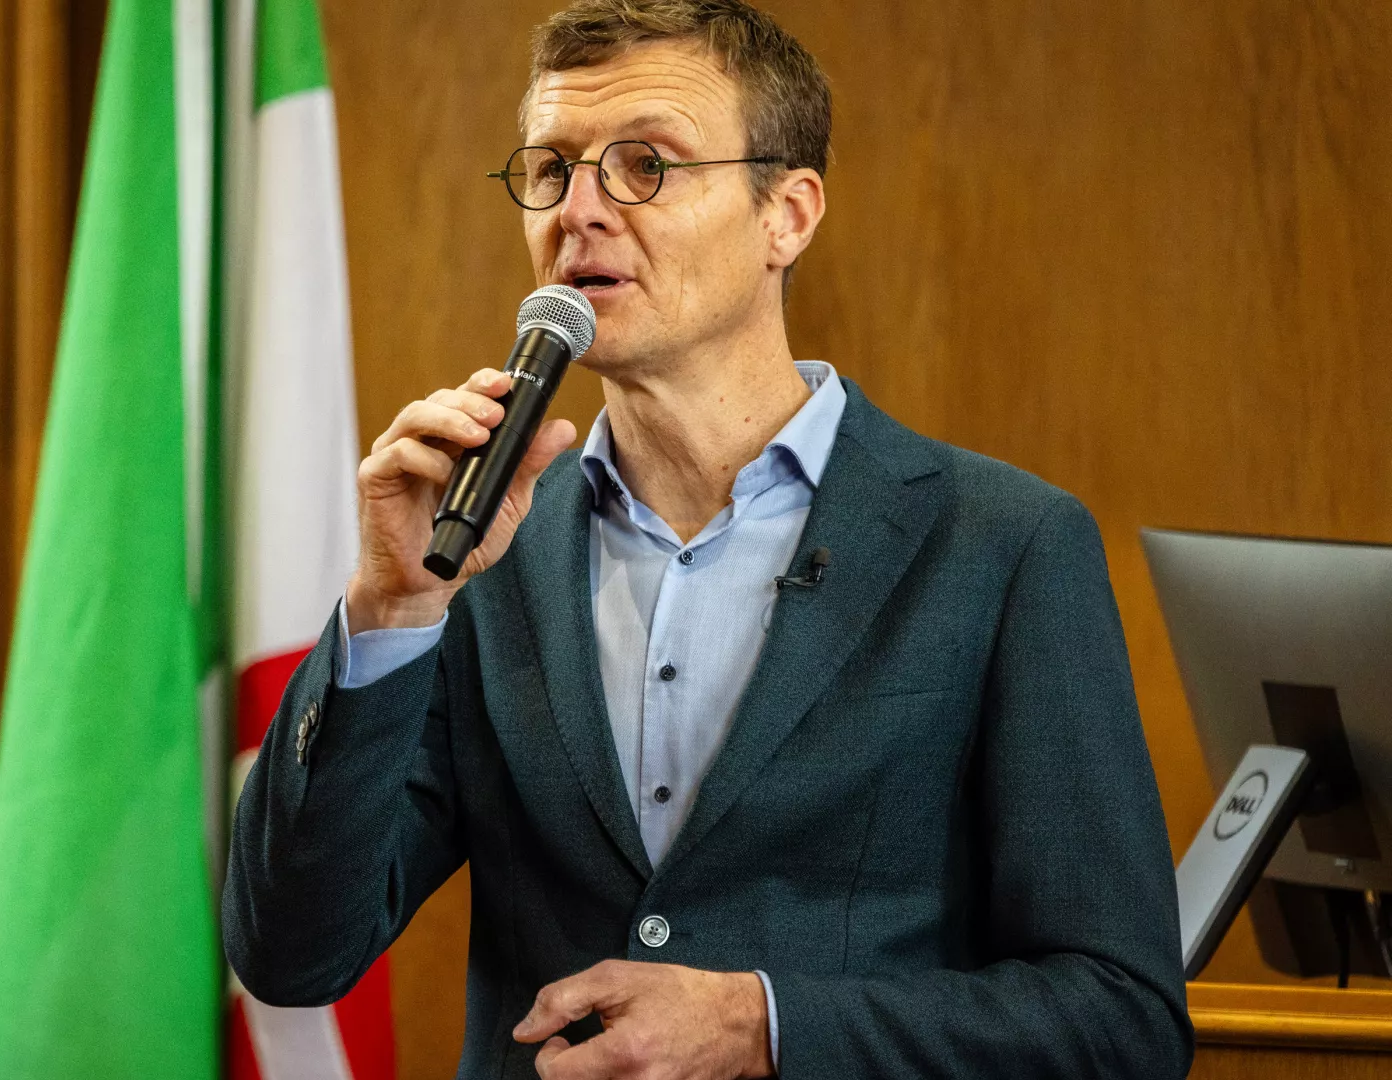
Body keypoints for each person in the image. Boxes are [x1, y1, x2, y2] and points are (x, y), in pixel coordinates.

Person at [223, 1, 1192, 1076]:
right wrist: (391, 610)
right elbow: (291, 956)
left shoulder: (1002, 546)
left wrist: (764, 1027)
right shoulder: (480, 550)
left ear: (788, 214)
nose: (579, 211)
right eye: (551, 168)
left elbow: (1120, 1017)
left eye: (646, 164)